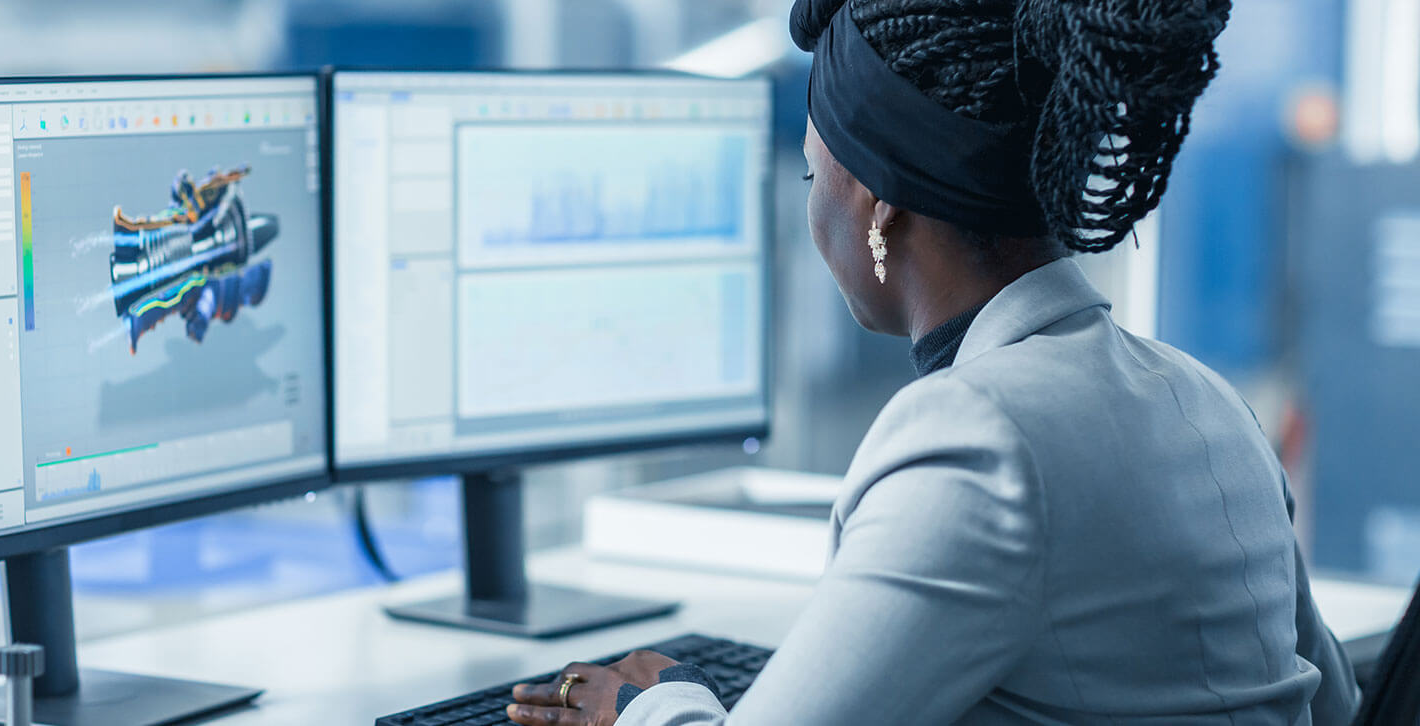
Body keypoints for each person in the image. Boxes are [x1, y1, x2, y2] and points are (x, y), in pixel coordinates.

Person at [508, 0, 1360, 724]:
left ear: (879, 210)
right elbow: (1338, 705)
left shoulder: (978, 437)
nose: (812, 216)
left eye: (814, 180)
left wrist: (652, 705)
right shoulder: (1208, 401)